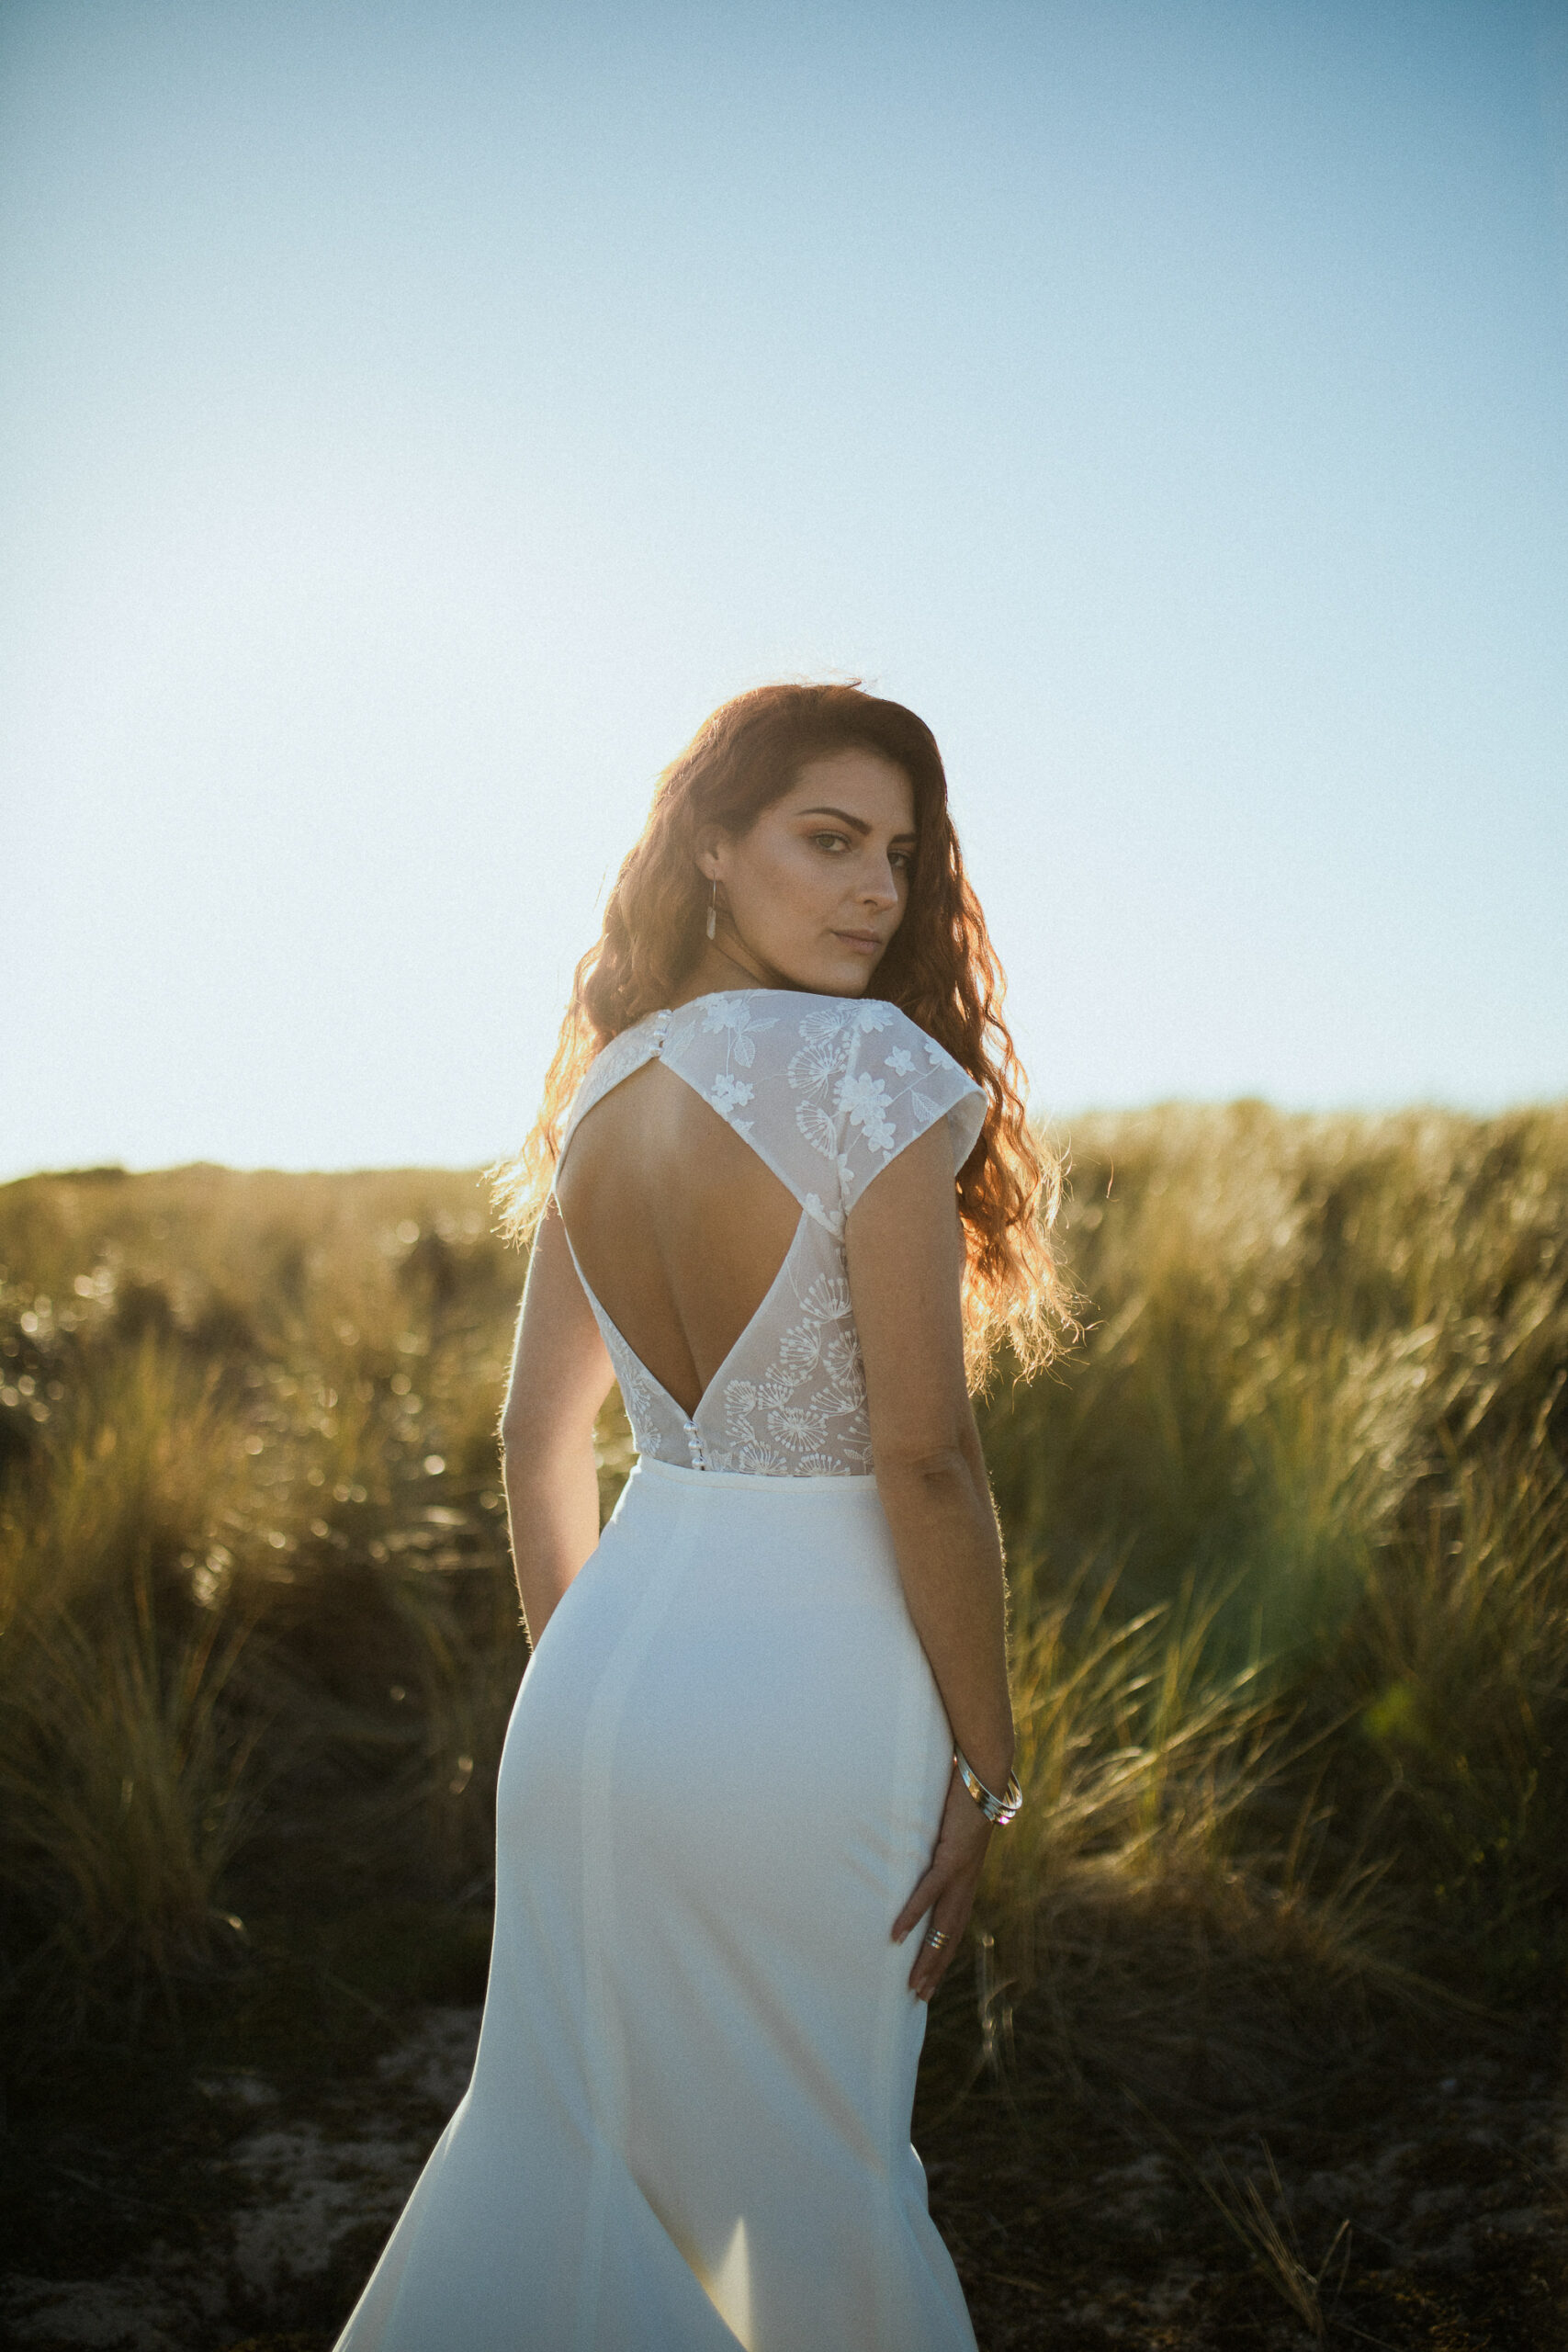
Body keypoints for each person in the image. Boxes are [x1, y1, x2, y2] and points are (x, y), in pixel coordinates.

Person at [332, 683, 1065, 2352]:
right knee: (808, 2188)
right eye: (829, 840)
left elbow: (539, 1441)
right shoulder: (873, 1067)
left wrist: (592, 1691)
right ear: (714, 850)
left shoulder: (602, 1096)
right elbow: (927, 1457)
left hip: (593, 1699)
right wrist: (992, 1767)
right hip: (811, 1703)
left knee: (574, 2164)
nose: (878, 889)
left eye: (901, 852)